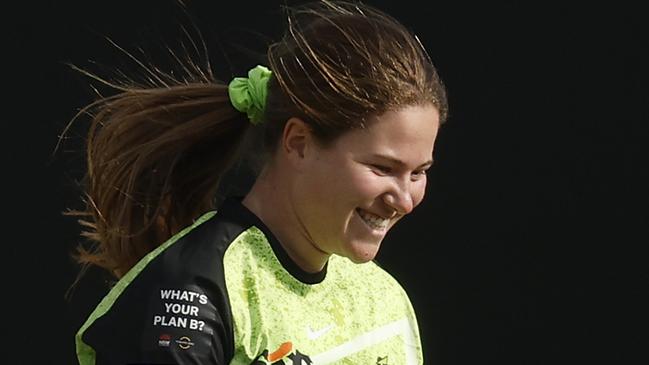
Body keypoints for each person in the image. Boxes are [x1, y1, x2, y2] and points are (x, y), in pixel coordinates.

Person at [66, 1, 448, 364]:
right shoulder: (193, 291)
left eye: (419, 172)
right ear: (297, 143)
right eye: (382, 168)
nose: (404, 199)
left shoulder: (383, 301)